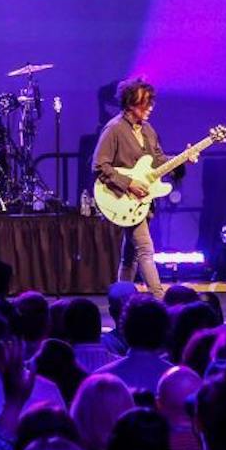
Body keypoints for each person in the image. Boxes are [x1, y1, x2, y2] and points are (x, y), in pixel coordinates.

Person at [92, 79, 187, 299]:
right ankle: (159, 300)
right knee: (145, 249)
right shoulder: (114, 128)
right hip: (123, 196)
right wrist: (129, 183)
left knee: (130, 256)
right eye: (145, 104)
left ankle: (120, 300)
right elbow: (99, 165)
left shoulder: (148, 130)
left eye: (151, 103)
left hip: (140, 203)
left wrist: (181, 160)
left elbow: (157, 160)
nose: (150, 108)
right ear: (130, 104)